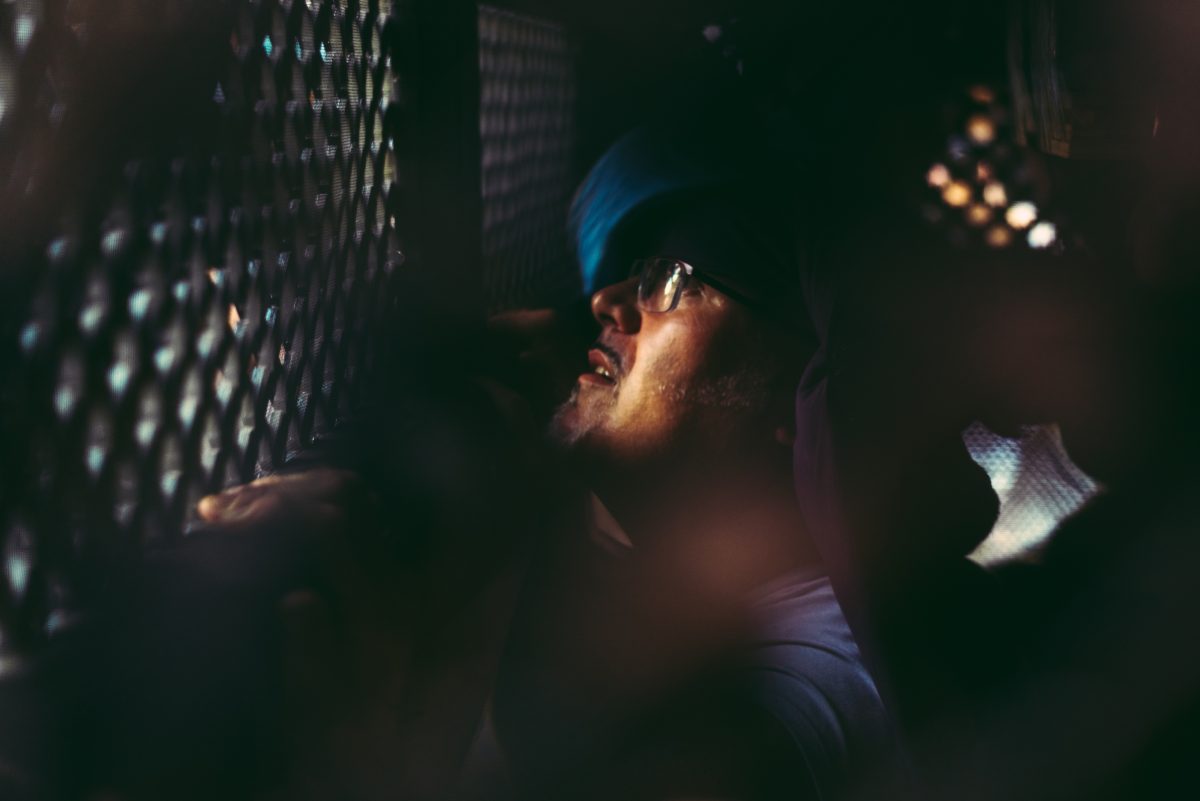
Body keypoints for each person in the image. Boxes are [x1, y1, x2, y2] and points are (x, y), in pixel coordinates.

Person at [198, 119, 898, 800]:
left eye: (671, 278)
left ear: (801, 398)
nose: (606, 303)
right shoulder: (645, 587)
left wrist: (369, 765)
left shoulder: (823, 679)